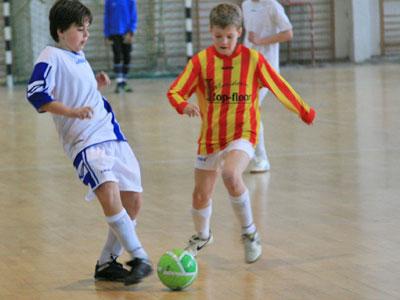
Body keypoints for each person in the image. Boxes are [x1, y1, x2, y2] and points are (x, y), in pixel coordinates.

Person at [167, 3, 315, 264]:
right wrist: (183, 105)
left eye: (230, 36)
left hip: (243, 132)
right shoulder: (201, 62)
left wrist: (304, 110)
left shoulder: (253, 60)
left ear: (239, 32)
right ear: (211, 32)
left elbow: (279, 86)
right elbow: (175, 90)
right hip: (210, 137)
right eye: (218, 36)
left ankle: (249, 233)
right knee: (200, 195)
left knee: (231, 173)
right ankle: (202, 236)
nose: (224, 41)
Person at [26, 0, 152, 286]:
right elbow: (35, 94)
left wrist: (94, 85)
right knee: (109, 193)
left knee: (133, 200)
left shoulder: (78, 57)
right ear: (60, 31)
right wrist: (72, 112)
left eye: (88, 29)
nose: (85, 35)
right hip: (85, 142)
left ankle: (107, 263)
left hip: (112, 134)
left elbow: (75, 91)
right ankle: (140, 257)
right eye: (79, 29)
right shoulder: (50, 55)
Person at [242, 0, 293, 173]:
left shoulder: (273, 6)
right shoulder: (246, 5)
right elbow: (247, 37)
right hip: (249, 65)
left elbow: (288, 33)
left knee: (252, 107)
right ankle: (246, 152)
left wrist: (261, 40)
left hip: (267, 69)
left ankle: (261, 158)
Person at [104, 0, 138, 93]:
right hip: (114, 33)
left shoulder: (130, 1)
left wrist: (131, 32)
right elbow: (107, 17)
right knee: (117, 56)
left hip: (126, 33)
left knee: (127, 57)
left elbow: (133, 15)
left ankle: (124, 82)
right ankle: (119, 83)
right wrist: (106, 34)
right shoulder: (109, 1)